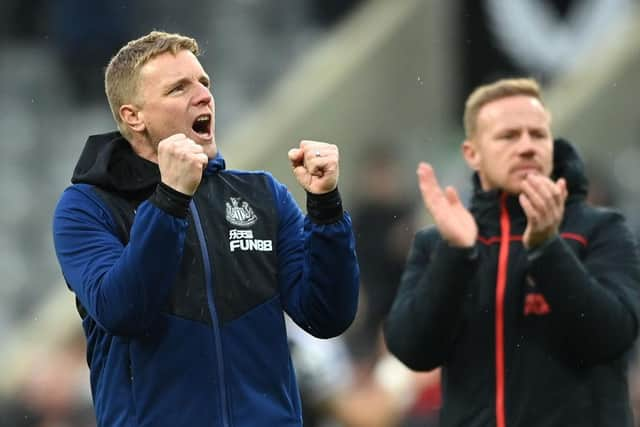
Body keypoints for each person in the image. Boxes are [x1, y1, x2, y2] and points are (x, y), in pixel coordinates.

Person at [52, 31, 359, 427]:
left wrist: (326, 209)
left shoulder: (262, 194)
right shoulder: (86, 206)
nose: (203, 96)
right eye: (179, 88)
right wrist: (170, 200)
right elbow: (124, 311)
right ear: (134, 116)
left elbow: (327, 316)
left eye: (204, 83)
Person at [384, 78, 640, 426]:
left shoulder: (599, 229)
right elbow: (412, 350)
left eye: (538, 135)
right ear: (472, 153)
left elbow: (613, 337)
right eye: (508, 136)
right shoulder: (441, 243)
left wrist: (547, 249)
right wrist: (457, 255)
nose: (526, 147)